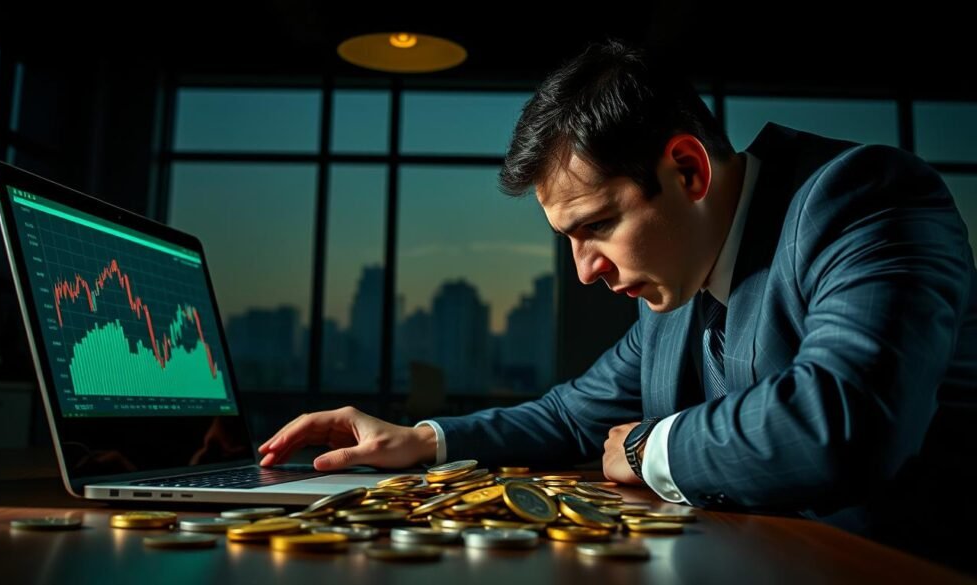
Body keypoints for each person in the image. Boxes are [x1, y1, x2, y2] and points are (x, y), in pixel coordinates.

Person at [258, 40, 977, 570]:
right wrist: (421, 440)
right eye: (568, 240)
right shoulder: (674, 285)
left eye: (597, 226)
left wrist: (646, 446)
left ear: (688, 169)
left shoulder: (863, 200)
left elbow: (844, 420)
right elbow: (571, 415)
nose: (584, 271)